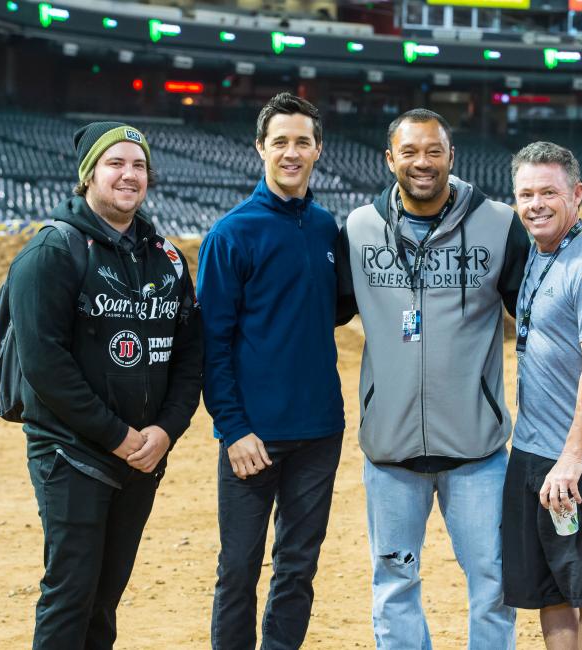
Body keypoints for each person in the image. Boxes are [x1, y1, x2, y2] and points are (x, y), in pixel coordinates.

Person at [336, 109, 529, 649]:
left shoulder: (498, 225)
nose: (423, 163)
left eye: (434, 151)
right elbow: (317, 313)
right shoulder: (357, 230)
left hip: (477, 453)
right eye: (410, 151)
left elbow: (538, 309)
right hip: (391, 453)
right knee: (394, 584)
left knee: (494, 585)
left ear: (450, 156)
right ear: (390, 158)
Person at [6, 121, 203, 649]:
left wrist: (165, 430)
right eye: (115, 163)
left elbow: (189, 356)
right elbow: (44, 366)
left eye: (138, 165)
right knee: (70, 595)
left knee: (105, 598)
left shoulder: (165, 259)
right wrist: (117, 435)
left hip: (142, 457)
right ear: (88, 174)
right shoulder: (52, 252)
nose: (129, 174)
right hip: (71, 453)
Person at [197, 93, 345, 650]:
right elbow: (211, 344)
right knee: (238, 570)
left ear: (318, 150)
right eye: (279, 141)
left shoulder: (328, 229)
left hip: (320, 433)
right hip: (253, 438)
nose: (291, 152)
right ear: (260, 148)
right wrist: (232, 428)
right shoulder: (230, 235)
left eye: (302, 141)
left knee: (297, 568)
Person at [502, 141, 582, 649]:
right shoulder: (539, 253)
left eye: (549, 192)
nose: (536, 203)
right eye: (526, 193)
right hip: (534, 452)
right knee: (550, 588)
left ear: (576, 194)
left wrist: (571, 459)